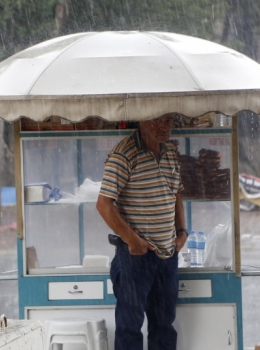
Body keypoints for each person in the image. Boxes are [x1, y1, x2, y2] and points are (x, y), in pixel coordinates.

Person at [96, 113, 188, 350]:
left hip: (167, 255)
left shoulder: (168, 152)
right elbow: (104, 204)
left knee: (164, 325)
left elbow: (176, 192)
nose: (164, 127)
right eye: (157, 120)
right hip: (135, 257)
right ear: (142, 120)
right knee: (130, 327)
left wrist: (182, 231)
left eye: (168, 121)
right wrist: (132, 239)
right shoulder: (124, 154)